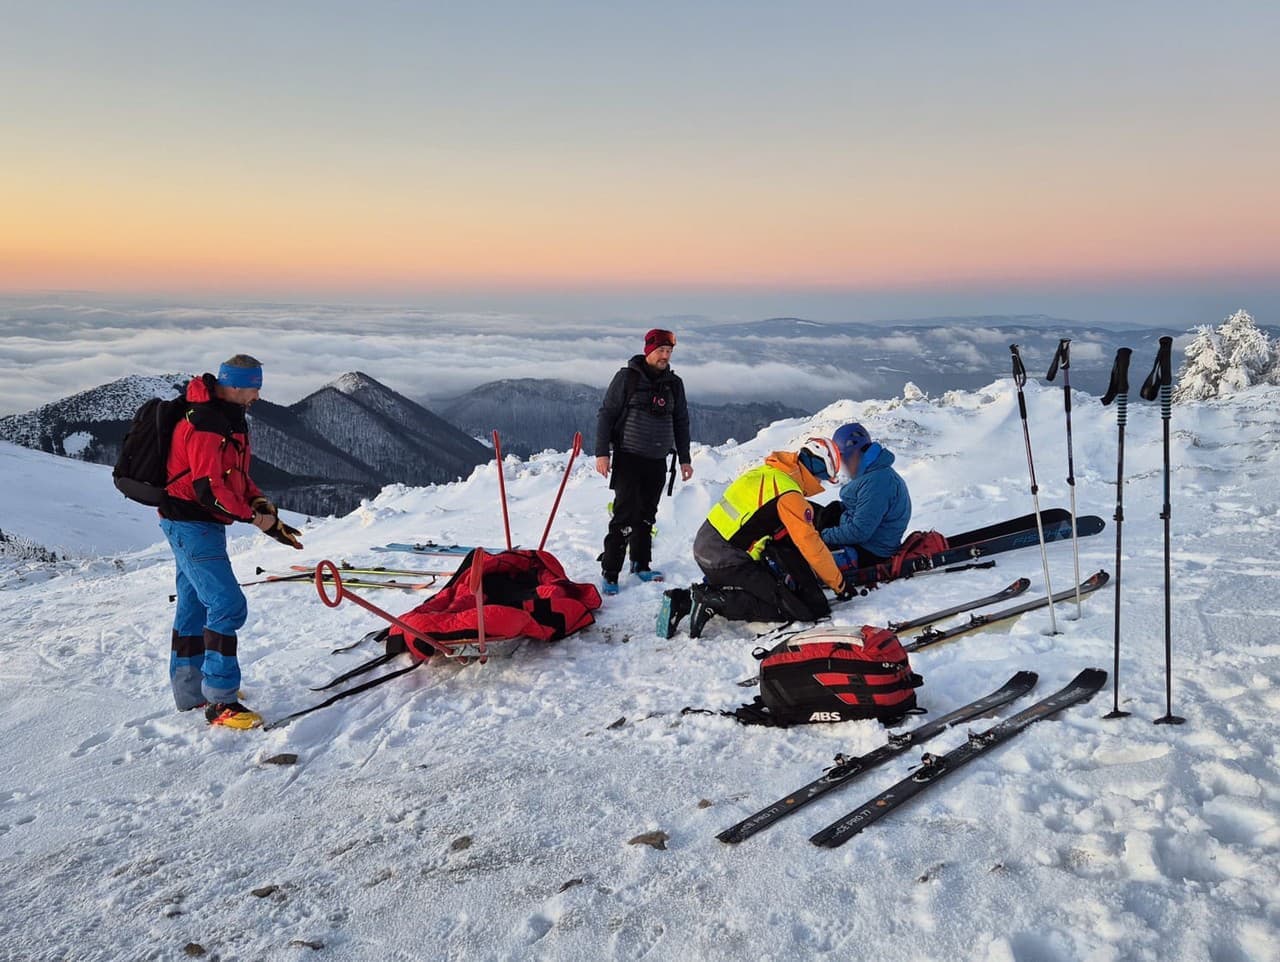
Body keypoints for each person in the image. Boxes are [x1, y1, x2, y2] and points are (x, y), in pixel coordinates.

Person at [159, 355, 303, 729]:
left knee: (194, 603)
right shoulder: (206, 424)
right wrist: (255, 518)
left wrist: (257, 501)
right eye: (255, 387)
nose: (258, 395)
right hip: (190, 522)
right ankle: (220, 701)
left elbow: (233, 475)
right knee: (226, 604)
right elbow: (208, 490)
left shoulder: (226, 418)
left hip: (197, 522)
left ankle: (192, 691)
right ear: (235, 385)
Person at [669, 438, 853, 638]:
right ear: (817, 468)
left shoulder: (767, 472)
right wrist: (839, 585)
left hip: (706, 548)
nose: (820, 483)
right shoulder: (789, 494)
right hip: (726, 559)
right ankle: (712, 601)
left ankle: (683, 600)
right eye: (823, 477)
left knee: (767, 587)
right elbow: (812, 546)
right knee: (789, 608)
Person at [594, 328, 693, 595]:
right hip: (629, 456)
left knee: (647, 515)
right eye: (661, 350)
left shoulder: (674, 384)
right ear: (648, 351)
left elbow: (681, 421)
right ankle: (610, 572)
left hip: (658, 459)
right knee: (624, 516)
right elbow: (607, 414)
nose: (665, 356)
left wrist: (685, 459)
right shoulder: (627, 378)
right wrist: (602, 453)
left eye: (669, 351)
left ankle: (640, 563)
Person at [818, 422, 912, 569]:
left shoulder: (877, 482)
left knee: (809, 557)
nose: (842, 465)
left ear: (855, 453)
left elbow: (859, 532)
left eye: (843, 458)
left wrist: (822, 536)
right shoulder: (872, 473)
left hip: (872, 552)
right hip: (868, 542)